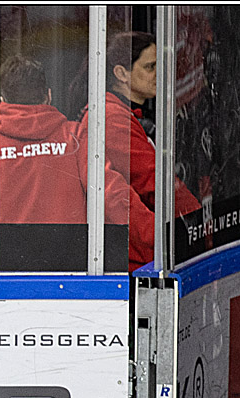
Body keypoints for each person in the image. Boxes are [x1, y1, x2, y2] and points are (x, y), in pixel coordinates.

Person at [0, 55, 154, 271]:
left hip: (1, 280)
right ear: (48, 96)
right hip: (68, 278)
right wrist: (158, 236)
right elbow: (114, 197)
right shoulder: (75, 138)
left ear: (2, 99)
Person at [79, 31, 202, 270]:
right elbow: (154, 180)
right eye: (150, 67)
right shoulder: (112, 118)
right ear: (121, 73)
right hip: (137, 260)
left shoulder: (120, 113)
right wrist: (198, 228)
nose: (159, 74)